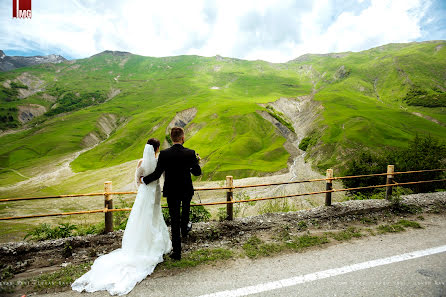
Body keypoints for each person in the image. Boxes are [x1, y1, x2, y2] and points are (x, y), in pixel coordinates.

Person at [72, 138, 171, 296]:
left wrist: (142, 189)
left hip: (144, 193)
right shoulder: (160, 161)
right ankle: (154, 244)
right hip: (156, 192)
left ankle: (142, 244)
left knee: (142, 219)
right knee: (154, 217)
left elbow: (136, 179)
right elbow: (163, 177)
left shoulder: (141, 162)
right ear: (157, 148)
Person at [141, 127, 201, 260]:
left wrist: (143, 180)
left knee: (174, 220)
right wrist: (196, 162)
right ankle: (185, 229)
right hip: (186, 190)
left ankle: (177, 253)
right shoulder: (190, 153)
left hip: (172, 191)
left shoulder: (164, 154)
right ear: (183, 138)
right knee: (185, 213)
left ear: (171, 138)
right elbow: (197, 173)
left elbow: (157, 174)